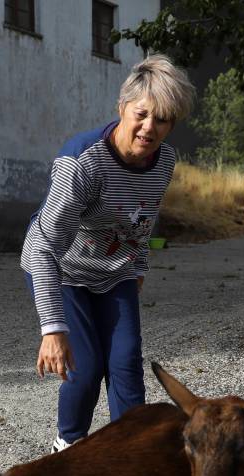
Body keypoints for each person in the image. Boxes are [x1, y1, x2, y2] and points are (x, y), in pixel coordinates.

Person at [20, 55, 196, 453]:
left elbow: (144, 218)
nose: (149, 128)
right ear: (122, 107)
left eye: (162, 120)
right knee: (85, 368)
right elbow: (44, 246)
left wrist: (139, 265)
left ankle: (132, 452)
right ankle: (68, 446)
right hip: (62, 268)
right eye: (142, 114)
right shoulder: (81, 163)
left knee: (125, 363)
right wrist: (52, 329)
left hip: (115, 270)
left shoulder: (164, 161)